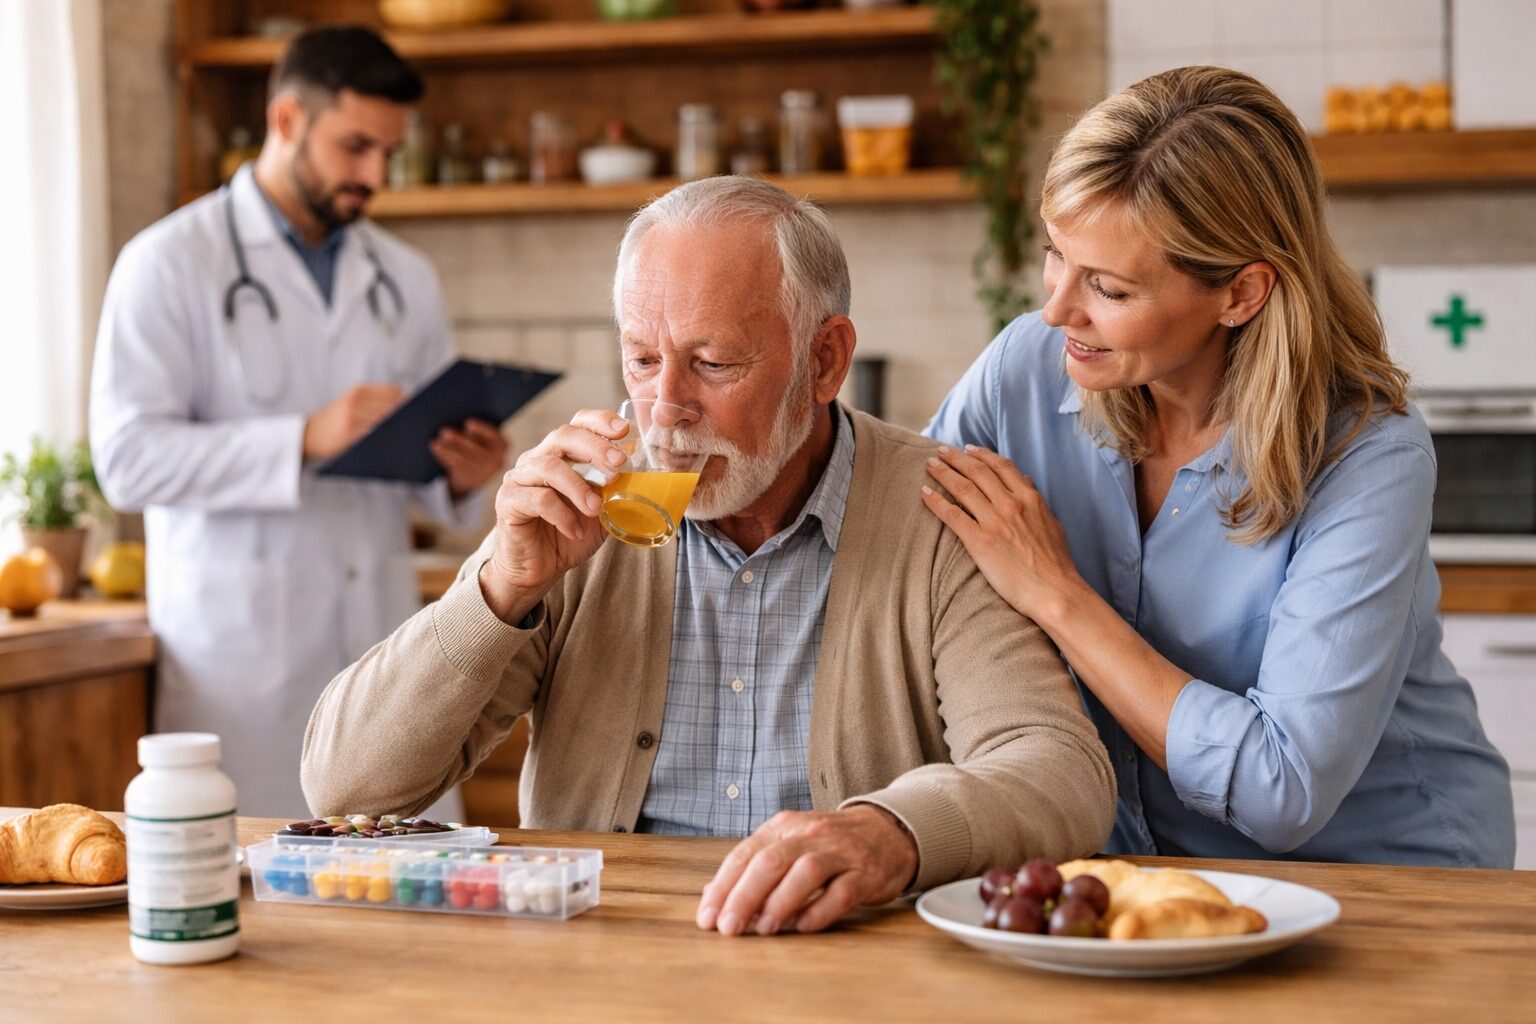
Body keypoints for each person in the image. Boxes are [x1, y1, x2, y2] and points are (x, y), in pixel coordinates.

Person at [302, 176, 1116, 936]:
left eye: (713, 363)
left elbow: (1060, 773)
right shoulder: (584, 506)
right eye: (643, 359)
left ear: (825, 360)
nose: (665, 410)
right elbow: (346, 790)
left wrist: (890, 833)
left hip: (845, 971)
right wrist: (498, 588)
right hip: (603, 959)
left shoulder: (937, 512)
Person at [923, 66, 1515, 867]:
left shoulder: (1369, 453)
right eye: (1054, 256)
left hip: (1384, 882)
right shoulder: (1028, 366)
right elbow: (907, 551)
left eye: (1109, 287)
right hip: (1140, 871)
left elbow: (1284, 788)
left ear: (1241, 294)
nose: (1059, 307)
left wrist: (1054, 593)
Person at [90, 26, 508, 817]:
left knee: (410, 909)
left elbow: (423, 486)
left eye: (388, 152)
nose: (374, 174)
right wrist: (301, 438)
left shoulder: (402, 277)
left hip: (386, 667)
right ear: (287, 121)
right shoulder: (169, 263)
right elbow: (127, 458)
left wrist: (461, 473)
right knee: (261, 909)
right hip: (244, 670)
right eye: (356, 147)